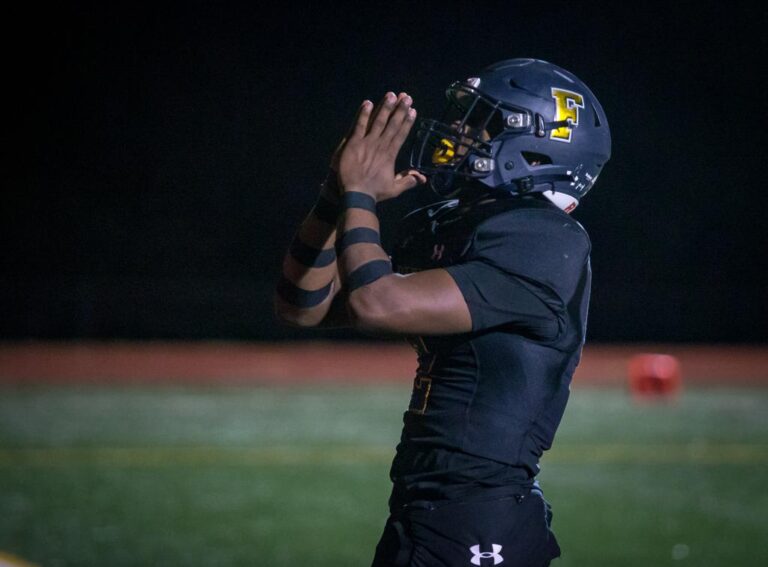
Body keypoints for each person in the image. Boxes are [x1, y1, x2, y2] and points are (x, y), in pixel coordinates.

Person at [274, 58, 611, 566]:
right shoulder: (465, 223)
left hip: (474, 523)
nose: (461, 130)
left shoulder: (544, 238)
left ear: (539, 147)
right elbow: (304, 307)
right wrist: (334, 198)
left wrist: (362, 192)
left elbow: (377, 303)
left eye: (484, 122)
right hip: (431, 511)